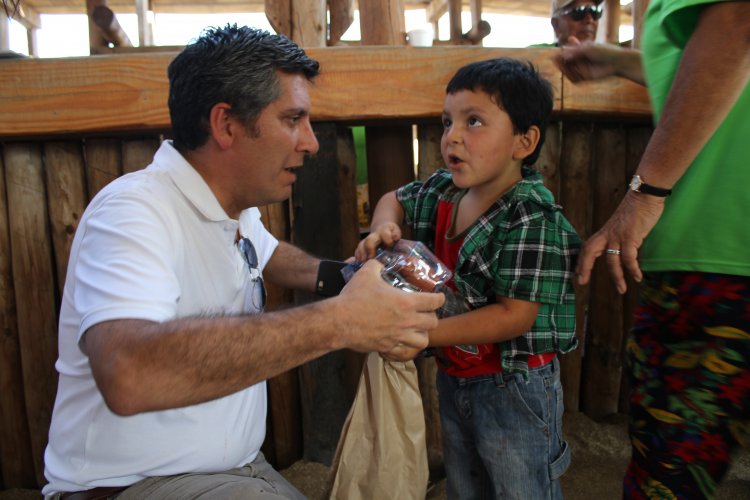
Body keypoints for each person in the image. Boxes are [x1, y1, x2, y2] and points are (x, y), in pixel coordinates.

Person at [41, 24, 445, 500]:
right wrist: (343, 320)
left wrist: (356, 276)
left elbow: (269, 255)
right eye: (293, 119)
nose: (311, 143)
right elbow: (127, 373)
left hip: (241, 468)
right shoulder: (133, 212)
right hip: (133, 485)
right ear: (226, 125)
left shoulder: (234, 208)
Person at [355, 58, 581, 500]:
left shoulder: (530, 215)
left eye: (473, 121)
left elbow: (514, 316)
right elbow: (392, 199)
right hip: (455, 377)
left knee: (520, 488)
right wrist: (383, 228)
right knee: (465, 484)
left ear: (524, 141)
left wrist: (420, 333)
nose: (452, 136)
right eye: (447, 122)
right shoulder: (445, 191)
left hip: (514, 388)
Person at [555, 1, 750, 498]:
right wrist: (622, 62)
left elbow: (737, 24)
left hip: (716, 257)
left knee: (667, 481)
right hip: (717, 252)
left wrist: (646, 191)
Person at [535, 0, 605, 47]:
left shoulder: (606, 60)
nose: (590, 20)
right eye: (579, 12)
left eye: (595, 12)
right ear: (556, 24)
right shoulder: (533, 58)